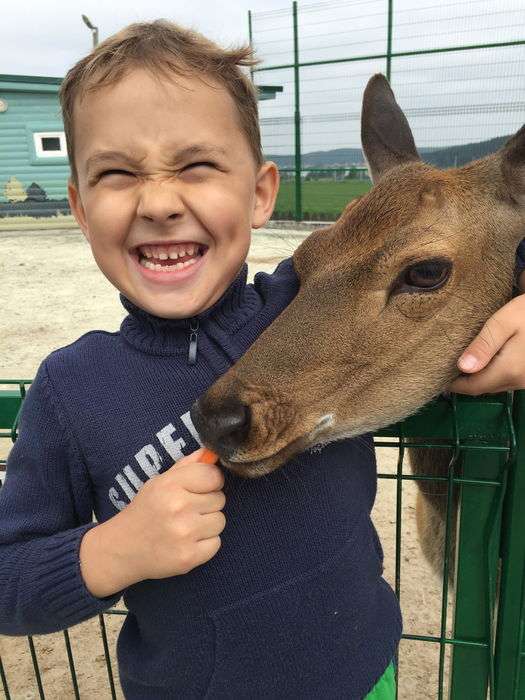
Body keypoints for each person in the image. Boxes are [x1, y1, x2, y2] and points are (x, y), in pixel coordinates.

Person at [0, 19, 524, 700]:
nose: (159, 202)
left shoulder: (289, 305)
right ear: (76, 205)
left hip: (366, 680)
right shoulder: (72, 392)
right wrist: (111, 550)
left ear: (259, 194)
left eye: (195, 166)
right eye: (117, 174)